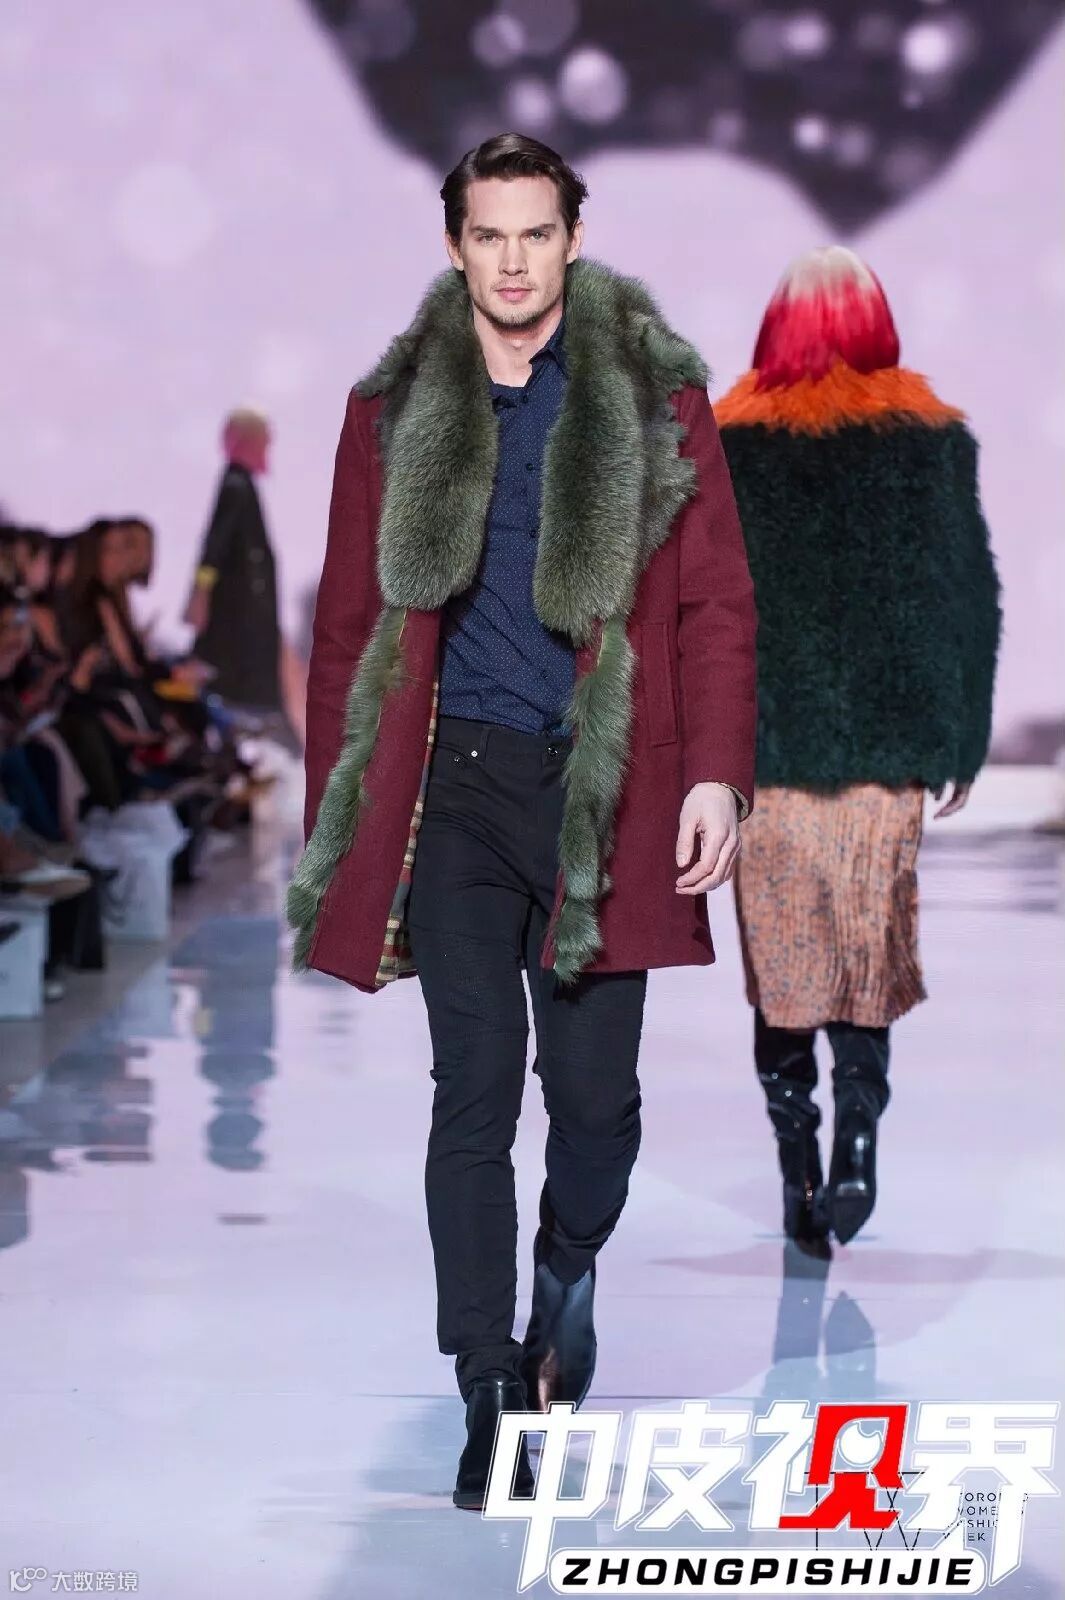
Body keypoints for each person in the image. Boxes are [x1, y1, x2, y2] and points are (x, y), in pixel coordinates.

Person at [288, 133, 758, 1509]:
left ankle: (565, 1263)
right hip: (455, 790)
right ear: (455, 245)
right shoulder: (392, 411)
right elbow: (346, 626)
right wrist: (339, 815)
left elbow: (718, 602)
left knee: (597, 1107)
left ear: (571, 238)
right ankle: (487, 1384)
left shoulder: (654, 397)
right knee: (473, 1090)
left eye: (534, 233)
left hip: (605, 793)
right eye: (487, 235)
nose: (511, 260)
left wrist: (717, 773)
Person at [715, 246, 1001, 1255]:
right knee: (864, 954)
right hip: (885, 748)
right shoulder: (929, 441)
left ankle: (798, 1164)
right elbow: (967, 598)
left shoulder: (728, 444)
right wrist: (960, 736)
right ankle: (860, 1138)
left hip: (769, 750)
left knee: (785, 963)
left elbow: (705, 611)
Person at [184, 409, 283, 716]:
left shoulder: (241, 484)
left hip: (243, 611)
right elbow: (215, 544)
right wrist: (201, 591)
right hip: (236, 612)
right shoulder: (235, 485)